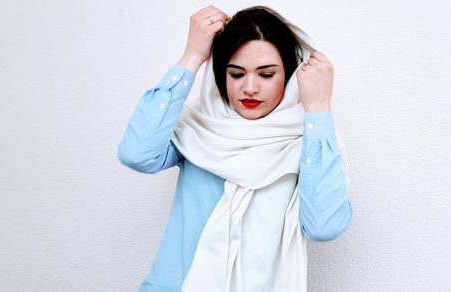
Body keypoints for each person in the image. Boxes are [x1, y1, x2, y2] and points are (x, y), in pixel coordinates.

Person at [117, 5, 352, 292]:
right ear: (220, 74)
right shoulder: (199, 130)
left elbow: (324, 227)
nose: (250, 88)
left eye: (266, 75)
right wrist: (192, 57)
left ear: (290, 76)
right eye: (237, 74)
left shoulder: (310, 145)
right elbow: (137, 154)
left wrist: (318, 108)